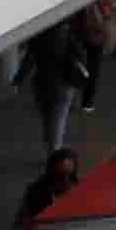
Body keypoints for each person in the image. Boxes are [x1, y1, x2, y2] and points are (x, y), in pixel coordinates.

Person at [17, 21, 87, 153]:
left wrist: (18, 79)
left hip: (43, 83)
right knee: (58, 118)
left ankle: (51, 149)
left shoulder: (37, 36)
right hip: (64, 82)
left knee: (48, 118)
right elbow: (81, 54)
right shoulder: (65, 33)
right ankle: (54, 151)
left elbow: (29, 60)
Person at [11, 147, 80, 230]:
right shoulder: (36, 192)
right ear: (51, 175)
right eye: (61, 176)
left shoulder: (80, 192)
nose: (66, 181)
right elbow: (20, 227)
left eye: (70, 176)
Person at [78, 0, 116, 112]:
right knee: (93, 71)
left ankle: (78, 99)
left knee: (79, 66)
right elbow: (110, 11)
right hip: (96, 39)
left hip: (82, 36)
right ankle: (87, 103)